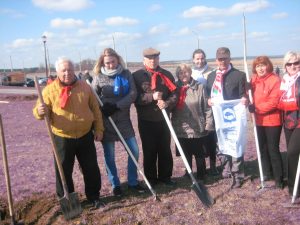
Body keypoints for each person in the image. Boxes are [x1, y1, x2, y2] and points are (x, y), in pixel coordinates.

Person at [33, 57, 105, 208]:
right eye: (63, 70)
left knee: (91, 168)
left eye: (70, 69)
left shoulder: (85, 87)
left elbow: (96, 110)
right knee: (63, 172)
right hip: (62, 137)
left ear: (74, 70)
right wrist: (39, 111)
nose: (67, 73)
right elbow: (38, 112)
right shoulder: (49, 90)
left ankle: (94, 197)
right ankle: (67, 201)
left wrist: (99, 129)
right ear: (57, 72)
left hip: (85, 135)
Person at [92, 48, 146, 197]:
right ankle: (115, 184)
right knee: (109, 155)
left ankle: (133, 182)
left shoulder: (126, 74)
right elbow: (94, 96)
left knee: (134, 151)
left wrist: (116, 105)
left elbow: (133, 94)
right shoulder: (98, 76)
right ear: (102, 62)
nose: (110, 65)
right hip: (107, 122)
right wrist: (103, 106)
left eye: (113, 61)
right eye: (107, 63)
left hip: (123, 121)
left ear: (118, 60)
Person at [132, 47, 178, 186]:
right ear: (144, 59)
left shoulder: (167, 74)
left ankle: (165, 177)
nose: (153, 61)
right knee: (149, 150)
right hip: (146, 120)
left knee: (165, 149)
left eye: (155, 58)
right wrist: (151, 97)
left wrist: (167, 103)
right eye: (150, 58)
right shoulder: (137, 76)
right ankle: (151, 179)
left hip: (163, 119)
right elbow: (135, 98)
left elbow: (174, 94)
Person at [206, 47, 248, 188]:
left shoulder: (239, 75)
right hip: (218, 117)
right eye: (219, 59)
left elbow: (244, 94)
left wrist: (244, 99)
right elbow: (207, 94)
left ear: (230, 58)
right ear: (216, 60)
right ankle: (226, 169)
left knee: (235, 144)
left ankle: (237, 175)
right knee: (221, 143)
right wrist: (208, 100)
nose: (222, 61)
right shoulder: (211, 76)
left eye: (225, 58)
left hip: (233, 118)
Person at [171, 64, 214, 180]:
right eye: (180, 73)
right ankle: (188, 172)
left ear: (190, 73)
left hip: (197, 125)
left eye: (186, 72)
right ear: (177, 75)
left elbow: (207, 107)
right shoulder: (174, 88)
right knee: (185, 151)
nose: (183, 75)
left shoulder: (199, 87)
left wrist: (208, 123)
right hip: (180, 125)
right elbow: (170, 104)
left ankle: (201, 173)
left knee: (199, 152)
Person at [249, 56, 284, 188]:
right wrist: (247, 89)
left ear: (268, 66)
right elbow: (249, 94)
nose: (260, 68)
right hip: (258, 121)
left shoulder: (275, 80)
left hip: (272, 121)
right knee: (262, 148)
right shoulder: (254, 80)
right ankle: (266, 173)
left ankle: (279, 178)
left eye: (263, 65)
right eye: (258, 66)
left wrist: (256, 108)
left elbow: (274, 102)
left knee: (272, 149)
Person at [191, 49, 219, 175]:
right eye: (197, 58)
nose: (200, 61)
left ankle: (213, 166)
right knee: (196, 139)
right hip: (196, 111)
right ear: (193, 60)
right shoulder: (190, 73)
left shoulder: (213, 72)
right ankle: (196, 168)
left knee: (211, 138)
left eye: (202, 58)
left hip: (210, 109)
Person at [277, 51, 300, 197]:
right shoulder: (284, 81)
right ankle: (293, 189)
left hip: (299, 122)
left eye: (296, 63)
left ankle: (295, 189)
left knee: (292, 153)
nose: (293, 66)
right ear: (285, 66)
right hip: (288, 121)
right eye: (289, 63)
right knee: (293, 156)